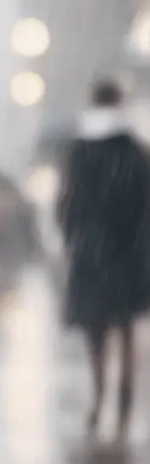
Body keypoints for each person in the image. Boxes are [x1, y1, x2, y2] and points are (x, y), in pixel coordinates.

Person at [58, 78, 150, 437]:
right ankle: (124, 407)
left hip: (91, 252)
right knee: (125, 326)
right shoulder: (135, 152)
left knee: (95, 330)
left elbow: (68, 203)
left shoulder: (79, 151)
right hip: (127, 251)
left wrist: (72, 238)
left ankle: (99, 399)